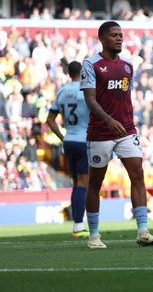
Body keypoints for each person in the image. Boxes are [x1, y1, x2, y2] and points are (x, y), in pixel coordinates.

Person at [81, 21, 153, 249]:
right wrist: (108, 119)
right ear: (102, 38)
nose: (119, 38)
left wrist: (123, 121)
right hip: (100, 132)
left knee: (138, 174)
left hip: (126, 130)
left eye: (121, 35)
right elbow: (90, 99)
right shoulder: (91, 64)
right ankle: (94, 235)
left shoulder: (128, 66)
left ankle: (143, 231)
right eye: (114, 35)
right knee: (96, 182)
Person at [46, 61, 91, 238]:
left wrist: (63, 137)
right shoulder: (86, 91)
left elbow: (49, 120)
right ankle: (79, 225)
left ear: (69, 73)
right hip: (83, 141)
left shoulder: (63, 91)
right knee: (83, 184)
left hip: (69, 141)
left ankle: (77, 223)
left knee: (76, 184)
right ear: (83, 73)